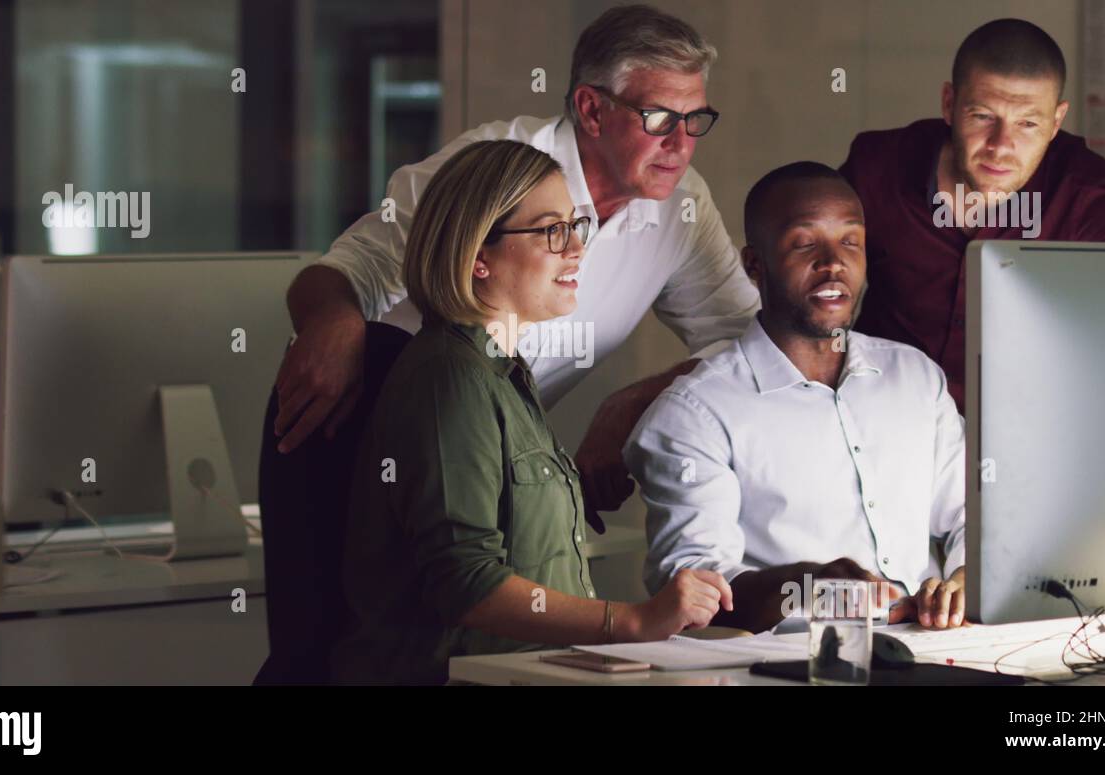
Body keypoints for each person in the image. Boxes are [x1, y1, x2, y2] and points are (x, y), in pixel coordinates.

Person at [274, 5, 759, 516]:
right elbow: (350, 269)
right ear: (592, 110)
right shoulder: (492, 166)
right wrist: (334, 319)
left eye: (695, 120)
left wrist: (635, 404)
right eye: (659, 118)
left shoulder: (682, 204)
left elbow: (749, 340)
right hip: (347, 436)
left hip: (481, 466)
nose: (681, 145)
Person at [331, 140, 733, 685]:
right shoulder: (449, 376)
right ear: (478, 256)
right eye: (551, 231)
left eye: (576, 226)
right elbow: (467, 583)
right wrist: (634, 621)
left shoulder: (505, 376)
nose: (576, 250)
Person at [625, 162, 967, 635]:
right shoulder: (693, 415)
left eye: (850, 242)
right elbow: (692, 592)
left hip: (933, 654)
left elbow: (971, 515)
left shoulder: (916, 378)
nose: (833, 263)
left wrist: (966, 577)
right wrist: (807, 587)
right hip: (789, 668)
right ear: (754, 265)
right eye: (804, 244)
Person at [840, 18, 1105, 412]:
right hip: (883, 418)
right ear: (949, 104)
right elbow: (817, 291)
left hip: (1024, 424)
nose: (1001, 146)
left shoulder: (1088, 195)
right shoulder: (877, 167)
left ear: (1057, 121)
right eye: (982, 116)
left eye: (1028, 123)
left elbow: (1099, 346)